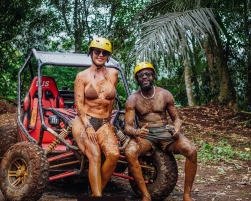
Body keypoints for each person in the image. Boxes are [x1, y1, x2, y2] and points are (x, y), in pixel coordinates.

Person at [124, 62, 197, 201]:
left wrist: (177, 128)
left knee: (191, 150)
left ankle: (187, 195)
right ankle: (145, 195)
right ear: (137, 79)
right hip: (146, 137)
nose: (145, 77)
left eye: (148, 74)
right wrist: (136, 132)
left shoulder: (165, 94)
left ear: (153, 76)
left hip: (165, 133)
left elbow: (176, 119)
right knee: (130, 152)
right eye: (141, 75)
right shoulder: (132, 99)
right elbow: (127, 127)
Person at [71, 37, 120, 197]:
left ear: (108, 56)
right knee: (95, 155)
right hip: (84, 122)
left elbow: (110, 101)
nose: (100, 55)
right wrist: (87, 125)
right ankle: (98, 195)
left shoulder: (113, 74)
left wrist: (110, 122)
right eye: (97, 51)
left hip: (104, 123)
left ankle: (95, 193)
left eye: (104, 53)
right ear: (91, 52)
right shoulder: (82, 76)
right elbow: (79, 105)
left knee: (114, 155)